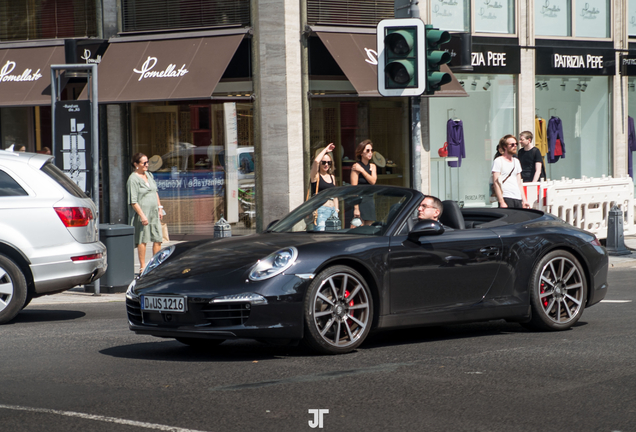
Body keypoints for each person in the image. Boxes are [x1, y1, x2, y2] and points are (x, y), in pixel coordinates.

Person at [127, 152, 164, 273]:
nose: (147, 165)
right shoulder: (133, 179)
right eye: (144, 163)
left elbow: (155, 192)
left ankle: (156, 264)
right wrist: (142, 216)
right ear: (136, 164)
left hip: (154, 212)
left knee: (158, 237)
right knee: (143, 239)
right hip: (142, 213)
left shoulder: (149, 175)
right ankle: (143, 266)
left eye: (148, 162)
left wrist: (160, 207)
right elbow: (133, 201)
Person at [492, 135, 530, 209]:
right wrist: (501, 201)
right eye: (512, 144)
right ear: (505, 147)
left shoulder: (516, 161)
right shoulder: (498, 161)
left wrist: (524, 200)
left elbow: (519, 183)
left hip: (517, 197)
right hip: (506, 196)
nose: (515, 146)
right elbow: (496, 183)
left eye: (516, 144)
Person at [309, 143, 339, 231]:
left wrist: (336, 210)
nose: (326, 164)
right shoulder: (315, 176)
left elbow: (335, 196)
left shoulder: (332, 177)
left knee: (333, 237)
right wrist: (326, 150)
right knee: (321, 236)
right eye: (324, 162)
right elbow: (316, 161)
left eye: (329, 162)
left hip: (333, 211)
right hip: (321, 210)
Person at [350, 139, 377, 226]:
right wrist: (356, 208)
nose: (370, 153)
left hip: (369, 200)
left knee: (369, 229)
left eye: (371, 150)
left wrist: (362, 171)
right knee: (358, 228)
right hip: (359, 200)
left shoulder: (372, 166)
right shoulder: (356, 167)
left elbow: (373, 181)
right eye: (367, 150)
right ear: (361, 153)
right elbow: (354, 189)